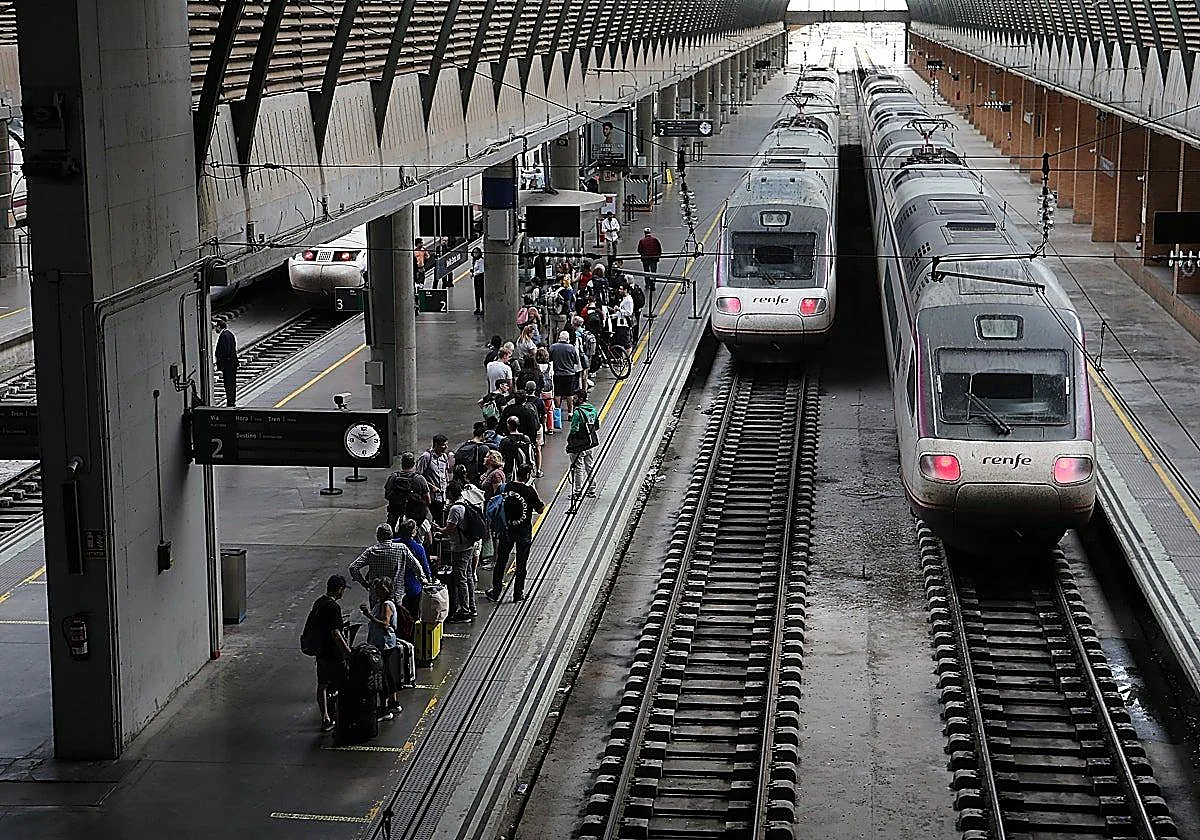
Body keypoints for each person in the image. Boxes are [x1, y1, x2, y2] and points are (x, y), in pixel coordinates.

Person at [485, 463, 545, 603]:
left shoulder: (505, 487)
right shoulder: (529, 491)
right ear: (528, 475)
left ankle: (495, 591)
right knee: (521, 563)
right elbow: (541, 509)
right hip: (523, 532)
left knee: (501, 561)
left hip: (506, 530)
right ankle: (518, 594)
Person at [350, 523, 423, 610]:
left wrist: (363, 582)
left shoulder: (371, 551)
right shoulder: (402, 549)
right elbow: (417, 566)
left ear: (378, 537)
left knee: (377, 617)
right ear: (391, 535)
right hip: (396, 595)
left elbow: (353, 567)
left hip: (376, 596)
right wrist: (421, 578)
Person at [312, 574, 351, 732]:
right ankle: (341, 716)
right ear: (339, 590)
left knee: (322, 685)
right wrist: (347, 651)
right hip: (334, 654)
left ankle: (325, 718)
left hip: (321, 652)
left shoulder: (319, 603)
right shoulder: (334, 607)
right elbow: (336, 632)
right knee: (342, 684)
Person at [438, 482, 480, 622]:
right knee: (468, 576)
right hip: (469, 544)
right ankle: (471, 607)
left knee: (460, 578)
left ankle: (464, 611)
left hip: (460, 548)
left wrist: (437, 529)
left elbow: (449, 530)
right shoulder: (466, 502)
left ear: (450, 493)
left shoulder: (455, 509)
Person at [360, 577, 401, 719]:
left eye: (380, 589)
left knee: (382, 675)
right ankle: (393, 702)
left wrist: (369, 616)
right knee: (388, 673)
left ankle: (384, 709)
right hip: (385, 643)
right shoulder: (383, 603)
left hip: (383, 644)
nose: (377, 592)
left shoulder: (386, 605)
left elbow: (385, 623)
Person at [392, 519, 433, 621]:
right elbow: (425, 567)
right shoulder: (418, 548)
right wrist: (429, 579)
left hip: (395, 586)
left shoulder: (393, 544)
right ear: (413, 532)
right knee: (412, 616)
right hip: (413, 587)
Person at [567, 389, 600, 508]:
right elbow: (597, 425)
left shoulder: (577, 413)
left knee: (578, 468)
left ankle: (578, 491)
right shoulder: (593, 410)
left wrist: (571, 441)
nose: (573, 400)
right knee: (589, 466)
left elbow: (574, 429)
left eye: (575, 398)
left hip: (579, 444)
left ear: (580, 399)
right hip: (590, 443)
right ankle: (592, 489)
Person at [384, 452, 431, 531]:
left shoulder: (393, 477)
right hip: (414, 518)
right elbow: (428, 500)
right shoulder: (419, 479)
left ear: (402, 463)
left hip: (394, 516)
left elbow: (387, 496)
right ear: (413, 463)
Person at [417, 435, 452, 527]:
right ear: (436, 445)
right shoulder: (426, 457)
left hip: (443, 495)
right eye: (443, 445)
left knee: (443, 518)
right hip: (432, 496)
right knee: (439, 518)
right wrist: (432, 487)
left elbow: (445, 474)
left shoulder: (444, 456)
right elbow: (418, 477)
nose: (446, 447)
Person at [549, 331, 582, 409]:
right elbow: (576, 361)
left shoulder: (553, 347)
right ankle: (570, 412)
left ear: (559, 338)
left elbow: (549, 359)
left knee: (557, 394)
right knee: (569, 394)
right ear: (567, 339)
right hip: (569, 374)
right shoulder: (571, 348)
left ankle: (557, 411)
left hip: (557, 374)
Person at [214, 318, 238, 407]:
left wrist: (222, 363)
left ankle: (230, 402)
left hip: (228, 365)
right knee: (230, 384)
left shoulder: (225, 335)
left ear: (219, 327)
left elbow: (226, 350)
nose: (215, 329)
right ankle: (231, 401)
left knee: (229, 384)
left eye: (216, 327)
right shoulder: (229, 334)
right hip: (230, 364)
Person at [471, 247, 485, 316]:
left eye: (476, 252)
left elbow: (481, 270)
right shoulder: (474, 260)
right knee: (476, 293)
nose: (475, 254)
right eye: (474, 252)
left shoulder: (481, 260)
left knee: (481, 293)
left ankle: (483, 308)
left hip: (480, 277)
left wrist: (474, 273)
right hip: (476, 278)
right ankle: (477, 307)